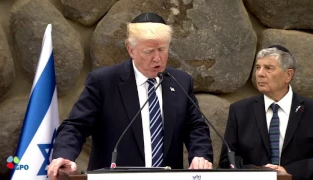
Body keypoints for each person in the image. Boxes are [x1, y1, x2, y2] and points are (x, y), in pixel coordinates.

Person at [47, 13, 213, 179]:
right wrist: (64, 154)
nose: (157, 58)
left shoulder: (180, 82)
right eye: (149, 52)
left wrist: (200, 155)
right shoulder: (104, 82)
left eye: (162, 49)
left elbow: (196, 127)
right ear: (130, 50)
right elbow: (76, 125)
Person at [219, 45, 313, 180]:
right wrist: (260, 173)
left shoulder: (310, 110)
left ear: (288, 75)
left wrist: (287, 171)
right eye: (258, 67)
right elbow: (227, 161)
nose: (260, 73)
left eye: (269, 68)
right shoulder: (240, 110)